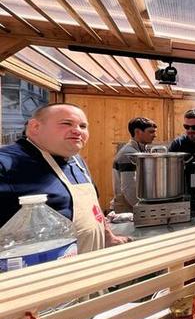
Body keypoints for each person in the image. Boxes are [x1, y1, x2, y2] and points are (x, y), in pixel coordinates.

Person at [0, 103, 129, 253]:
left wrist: (108, 236)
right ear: (35, 127)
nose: (77, 131)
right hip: (42, 271)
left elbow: (93, 208)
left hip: (89, 263)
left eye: (83, 126)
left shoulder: (76, 160)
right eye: (66, 123)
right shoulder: (5, 164)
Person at [111, 117, 157, 213]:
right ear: (137, 132)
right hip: (127, 207)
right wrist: (143, 210)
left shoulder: (141, 150)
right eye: (151, 132)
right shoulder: (128, 154)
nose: (155, 135)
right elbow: (129, 188)